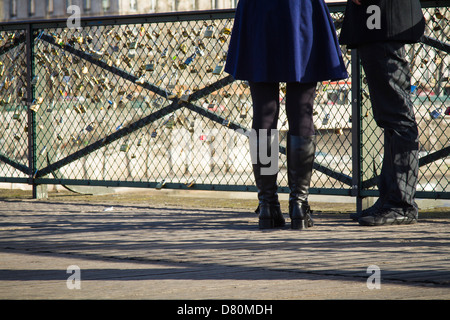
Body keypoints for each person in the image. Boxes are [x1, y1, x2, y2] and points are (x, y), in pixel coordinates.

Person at [225, 0, 348, 229]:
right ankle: (298, 205)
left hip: (259, 10)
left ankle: (267, 205)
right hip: (299, 8)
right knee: (301, 109)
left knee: (263, 111)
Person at [339, 0, 425, 226]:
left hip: (385, 18)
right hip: (373, 21)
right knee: (389, 117)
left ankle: (401, 204)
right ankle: (390, 198)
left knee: (397, 116)